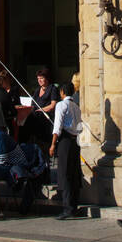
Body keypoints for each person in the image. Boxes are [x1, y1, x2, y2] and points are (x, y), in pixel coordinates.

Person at [50, 78, 83, 219]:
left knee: (65, 174)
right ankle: (73, 206)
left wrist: (52, 144)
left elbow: (57, 126)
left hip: (65, 141)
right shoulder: (76, 106)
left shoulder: (61, 105)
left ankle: (67, 208)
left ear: (62, 92)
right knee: (74, 172)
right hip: (75, 141)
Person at [20, 69, 59, 145]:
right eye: (38, 78)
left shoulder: (53, 88)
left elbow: (53, 105)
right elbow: (33, 104)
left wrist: (41, 110)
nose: (39, 80)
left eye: (41, 78)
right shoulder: (37, 90)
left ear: (47, 78)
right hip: (36, 117)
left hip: (46, 118)